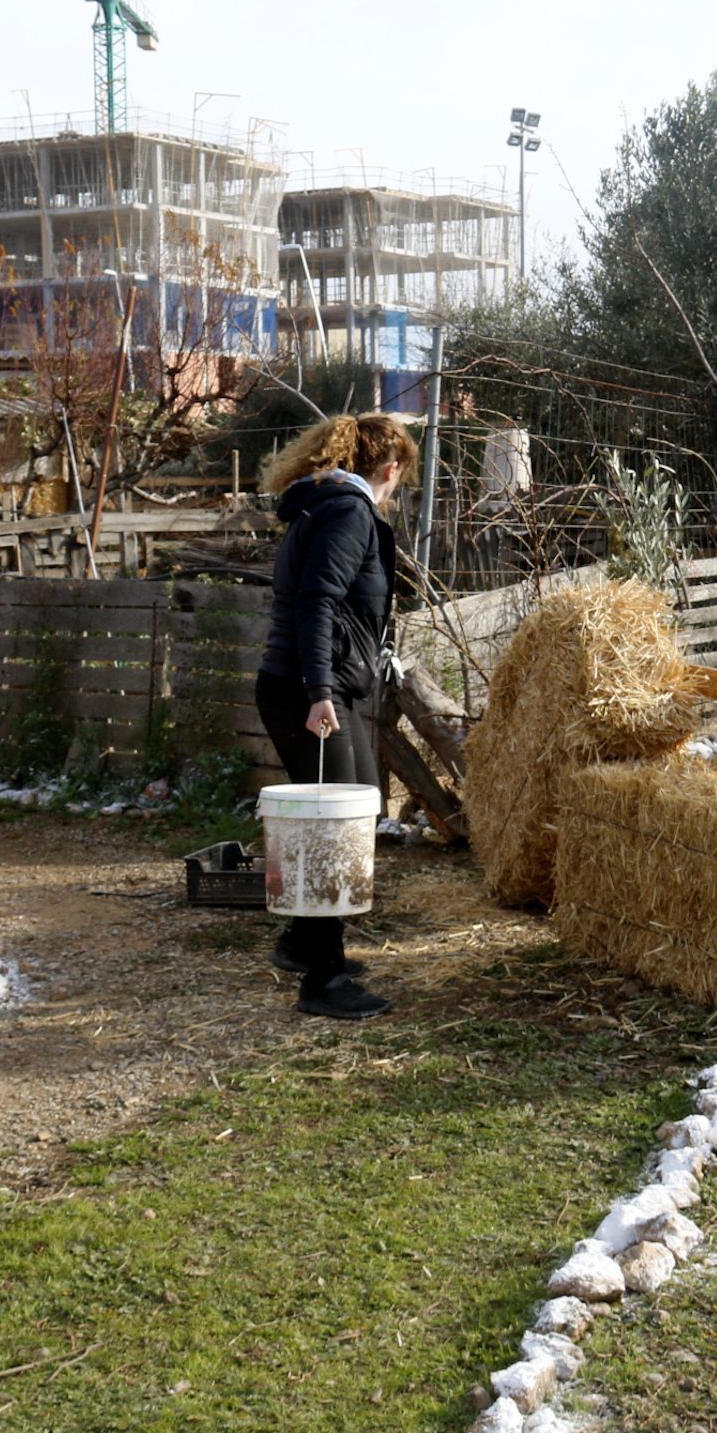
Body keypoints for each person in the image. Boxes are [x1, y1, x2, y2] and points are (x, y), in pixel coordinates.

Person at [253, 412, 420, 1020]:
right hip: (307, 691)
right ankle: (322, 981)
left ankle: (303, 941)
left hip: (306, 687)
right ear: (390, 467)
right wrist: (321, 688)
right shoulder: (349, 513)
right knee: (334, 828)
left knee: (356, 807)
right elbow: (318, 601)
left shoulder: (325, 506)